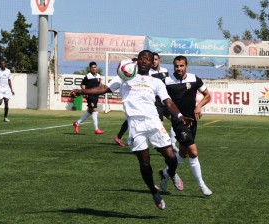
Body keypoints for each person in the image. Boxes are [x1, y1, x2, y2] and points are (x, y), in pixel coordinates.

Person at [71, 50, 190, 210]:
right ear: (137, 61)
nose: (144, 61)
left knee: (171, 157)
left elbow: (168, 102)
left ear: (152, 63)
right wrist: (82, 91)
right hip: (135, 124)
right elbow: (104, 88)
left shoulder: (156, 82)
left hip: (154, 122)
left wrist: (180, 115)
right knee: (145, 162)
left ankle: (169, 172)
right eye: (141, 58)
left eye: (148, 59)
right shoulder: (124, 76)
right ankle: (154, 192)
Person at [159, 55, 213, 196]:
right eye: (176, 66)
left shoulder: (194, 79)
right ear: (173, 66)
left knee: (183, 153)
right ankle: (201, 185)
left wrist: (199, 106)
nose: (179, 68)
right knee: (193, 152)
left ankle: (165, 173)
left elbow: (207, 95)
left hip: (192, 121)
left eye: (181, 65)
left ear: (186, 66)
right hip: (179, 122)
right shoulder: (167, 82)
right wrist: (171, 117)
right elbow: (162, 102)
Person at [149, 52, 178, 152]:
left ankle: (173, 144)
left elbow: (169, 83)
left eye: (156, 59)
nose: (154, 61)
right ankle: (162, 144)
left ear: (159, 60)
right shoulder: (149, 73)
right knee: (159, 125)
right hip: (156, 102)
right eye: (152, 60)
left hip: (165, 100)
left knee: (175, 121)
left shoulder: (165, 70)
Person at [72, 62, 104, 135]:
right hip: (90, 96)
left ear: (96, 68)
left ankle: (77, 123)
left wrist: (101, 85)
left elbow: (99, 85)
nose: (94, 68)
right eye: (92, 67)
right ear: (90, 68)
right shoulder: (88, 76)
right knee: (95, 110)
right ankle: (96, 129)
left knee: (90, 111)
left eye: (95, 67)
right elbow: (82, 85)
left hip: (96, 96)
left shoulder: (98, 76)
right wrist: (85, 93)